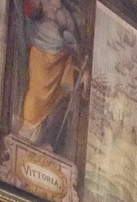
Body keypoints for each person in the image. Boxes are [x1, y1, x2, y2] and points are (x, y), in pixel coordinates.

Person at [18, 0, 87, 149]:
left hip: (61, 60)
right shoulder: (42, 2)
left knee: (57, 98)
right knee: (37, 92)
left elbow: (76, 41)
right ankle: (27, 129)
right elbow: (31, 12)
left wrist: (84, 69)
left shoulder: (66, 14)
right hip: (41, 53)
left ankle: (43, 139)